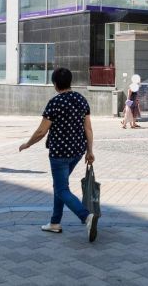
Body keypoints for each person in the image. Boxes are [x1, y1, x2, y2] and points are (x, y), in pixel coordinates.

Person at [18, 68, 98, 242]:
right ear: (70, 81)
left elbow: (41, 131)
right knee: (60, 186)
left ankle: (86, 217)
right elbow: (88, 128)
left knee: (61, 189)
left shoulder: (54, 102)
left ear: (55, 84)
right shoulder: (81, 100)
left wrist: (27, 144)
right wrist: (90, 151)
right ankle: (55, 222)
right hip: (77, 152)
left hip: (59, 154)